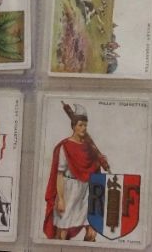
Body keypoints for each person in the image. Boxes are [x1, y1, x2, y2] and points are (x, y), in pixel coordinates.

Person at [43, 102, 109, 241]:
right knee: (62, 232)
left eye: (85, 125)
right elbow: (59, 174)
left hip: (86, 192)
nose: (83, 128)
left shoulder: (89, 147)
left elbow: (94, 169)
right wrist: (61, 199)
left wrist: (101, 161)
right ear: (73, 126)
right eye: (80, 125)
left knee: (92, 231)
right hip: (69, 192)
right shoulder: (65, 146)